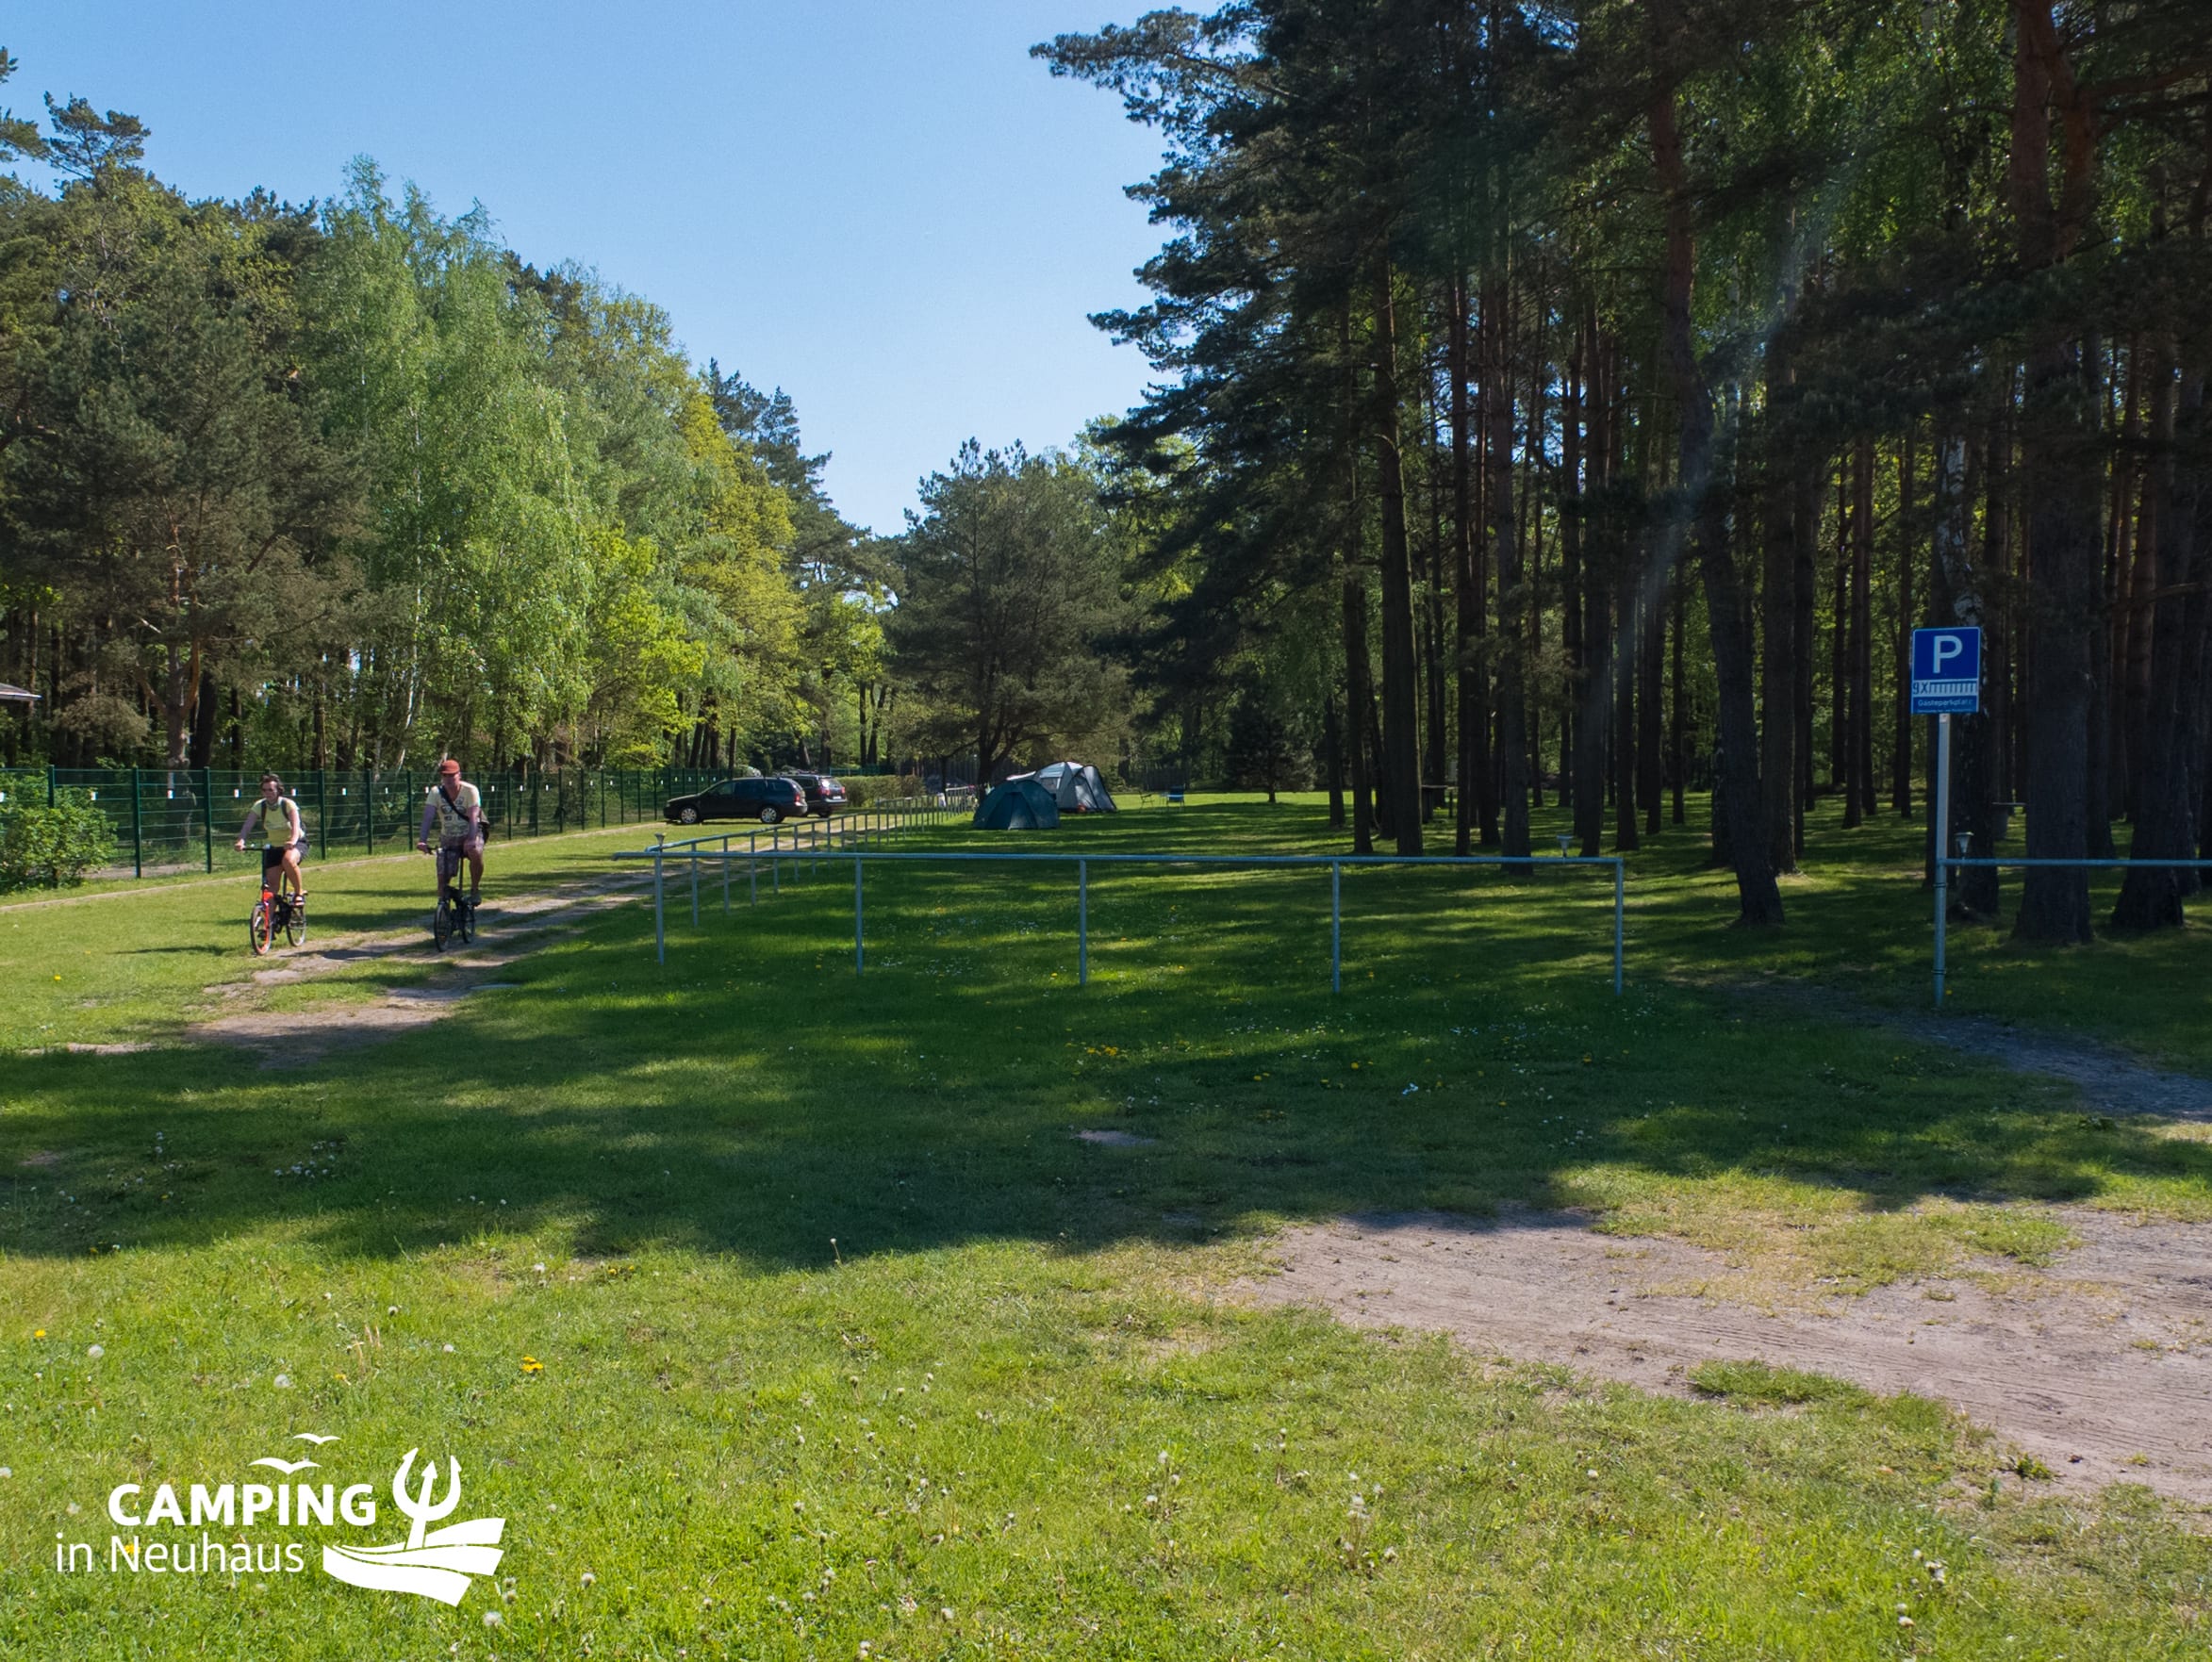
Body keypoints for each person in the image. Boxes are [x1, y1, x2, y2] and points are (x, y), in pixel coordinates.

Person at [418, 758, 485, 904]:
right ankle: (443, 906)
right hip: (448, 836)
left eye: (452, 775)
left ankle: (474, 889)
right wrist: (422, 840)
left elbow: (474, 816)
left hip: (470, 832)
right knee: (442, 877)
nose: (448, 779)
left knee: (475, 851)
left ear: (459, 775)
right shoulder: (435, 793)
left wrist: (471, 839)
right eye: (445, 776)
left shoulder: (470, 790)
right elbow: (428, 817)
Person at [236, 773, 307, 900]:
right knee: (271, 886)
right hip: (275, 846)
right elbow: (247, 825)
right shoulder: (260, 806)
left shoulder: (287, 804)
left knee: (288, 860)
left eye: (271, 790)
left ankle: (298, 893)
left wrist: (292, 841)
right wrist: (241, 841)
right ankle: (269, 913)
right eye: (264, 790)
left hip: (296, 843)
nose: (267, 793)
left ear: (278, 790)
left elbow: (296, 826)